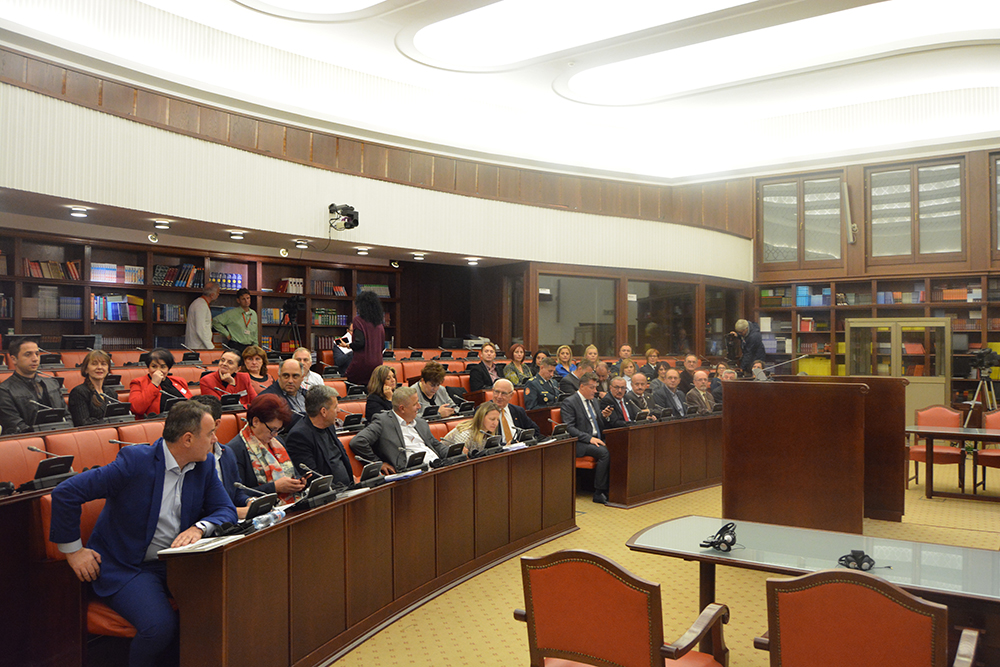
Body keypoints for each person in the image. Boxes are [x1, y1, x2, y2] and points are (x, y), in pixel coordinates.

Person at [49, 400, 236, 667]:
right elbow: (66, 493)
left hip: (174, 562)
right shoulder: (135, 462)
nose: (215, 440)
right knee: (159, 626)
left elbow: (225, 509)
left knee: (224, 601)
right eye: (210, 434)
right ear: (187, 439)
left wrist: (199, 527)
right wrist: (73, 551)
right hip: (127, 566)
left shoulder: (203, 466)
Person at [226, 393, 307, 503]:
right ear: (255, 421)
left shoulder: (277, 442)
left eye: (278, 430)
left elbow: (292, 473)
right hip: (263, 509)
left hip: (292, 504)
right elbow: (237, 494)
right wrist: (274, 487)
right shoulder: (235, 450)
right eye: (272, 429)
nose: (275, 434)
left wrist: (297, 482)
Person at [348, 386, 448, 473]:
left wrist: (454, 453)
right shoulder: (383, 421)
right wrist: (378, 463)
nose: (419, 406)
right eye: (415, 404)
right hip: (412, 473)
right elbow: (358, 442)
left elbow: (435, 444)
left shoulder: (420, 422)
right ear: (402, 408)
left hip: (438, 466)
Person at [191, 394, 251, 519]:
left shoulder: (227, 453)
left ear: (216, 423)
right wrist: (235, 512)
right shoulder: (190, 457)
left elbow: (237, 492)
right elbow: (193, 508)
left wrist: (249, 501)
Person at [285, 385, 355, 488]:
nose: (339, 410)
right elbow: (314, 478)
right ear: (323, 412)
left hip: (348, 487)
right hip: (332, 493)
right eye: (335, 407)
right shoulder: (299, 436)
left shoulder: (329, 426)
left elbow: (340, 457)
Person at [560, 372, 613, 504]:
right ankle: (599, 492)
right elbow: (569, 428)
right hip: (579, 442)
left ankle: (612, 487)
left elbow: (598, 424)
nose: (595, 391)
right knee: (604, 452)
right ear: (582, 386)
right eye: (592, 387)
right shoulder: (570, 402)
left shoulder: (594, 401)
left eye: (596, 387)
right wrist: (589, 439)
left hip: (597, 438)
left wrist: (605, 417)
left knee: (618, 445)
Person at [0, 337, 65, 434]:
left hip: (60, 435)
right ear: (14, 359)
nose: (35, 359)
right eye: (28, 354)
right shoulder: (4, 390)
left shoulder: (52, 384)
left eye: (37, 354)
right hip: (29, 439)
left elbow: (67, 415)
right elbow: (15, 425)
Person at [128, 347, 191, 417]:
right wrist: (154, 384)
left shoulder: (179, 381)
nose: (158, 370)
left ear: (168, 369)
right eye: (154, 366)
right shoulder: (138, 383)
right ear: (148, 368)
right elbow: (136, 408)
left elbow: (191, 403)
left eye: (163, 367)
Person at [346, 290, 385, 385]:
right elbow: (382, 346)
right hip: (377, 365)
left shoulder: (358, 321)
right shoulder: (380, 324)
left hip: (362, 364)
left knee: (347, 379)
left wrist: (348, 345)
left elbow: (360, 343)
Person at [68, 349, 116, 427]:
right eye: (94, 364)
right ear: (86, 369)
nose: (99, 367)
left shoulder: (112, 393)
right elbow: (83, 422)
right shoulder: (78, 392)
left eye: (103, 364)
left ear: (108, 369)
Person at [259, 358, 307, 425]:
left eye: (295, 376)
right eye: (286, 376)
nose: (290, 381)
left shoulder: (308, 394)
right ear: (279, 376)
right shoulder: (267, 398)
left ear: (302, 377)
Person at [211, 287, 258, 353]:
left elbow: (255, 333)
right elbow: (215, 321)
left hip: (250, 347)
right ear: (238, 300)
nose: (246, 301)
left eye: (248, 298)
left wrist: (256, 347)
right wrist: (226, 334)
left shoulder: (253, 314)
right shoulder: (232, 313)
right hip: (236, 346)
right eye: (243, 299)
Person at [185, 282, 220, 349]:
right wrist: (211, 347)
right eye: (218, 292)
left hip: (198, 346)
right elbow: (200, 329)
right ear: (212, 295)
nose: (218, 295)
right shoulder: (201, 305)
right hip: (199, 347)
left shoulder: (200, 303)